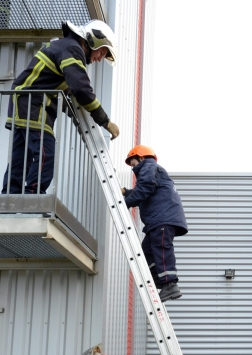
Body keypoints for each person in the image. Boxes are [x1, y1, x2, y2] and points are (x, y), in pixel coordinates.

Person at [2, 20, 119, 195]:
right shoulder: (72, 50)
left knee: (21, 157)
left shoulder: (64, 47)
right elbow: (81, 88)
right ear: (93, 40)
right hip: (33, 105)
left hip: (23, 102)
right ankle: (33, 196)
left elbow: (65, 90)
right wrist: (105, 121)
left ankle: (9, 197)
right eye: (102, 52)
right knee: (46, 154)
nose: (100, 58)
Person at [121, 145, 188, 303]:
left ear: (142, 158)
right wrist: (126, 192)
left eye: (133, 163)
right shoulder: (153, 171)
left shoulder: (149, 166)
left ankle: (170, 284)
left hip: (162, 219)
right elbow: (145, 191)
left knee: (162, 248)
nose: (133, 167)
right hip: (157, 220)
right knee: (147, 250)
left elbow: (144, 189)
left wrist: (124, 202)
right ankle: (160, 279)